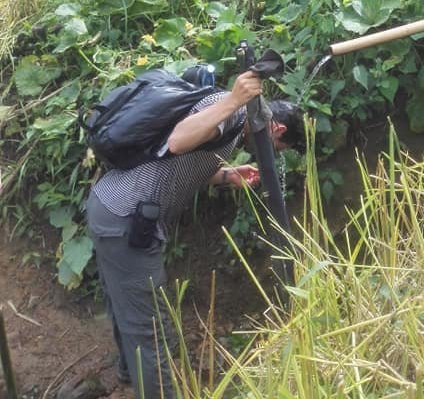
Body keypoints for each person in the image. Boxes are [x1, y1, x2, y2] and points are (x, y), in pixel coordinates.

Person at [86, 64, 303, 399]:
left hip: (114, 209)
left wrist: (227, 175)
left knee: (127, 303)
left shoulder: (231, 125)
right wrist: (234, 100)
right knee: (151, 330)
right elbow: (177, 140)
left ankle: (129, 376)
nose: (271, 153)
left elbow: (177, 159)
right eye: (278, 148)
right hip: (124, 220)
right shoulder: (230, 112)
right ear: (278, 129)